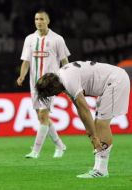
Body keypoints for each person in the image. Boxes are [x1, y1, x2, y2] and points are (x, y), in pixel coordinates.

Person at [36, 61, 130, 178]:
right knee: (98, 124)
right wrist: (91, 136)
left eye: (50, 93)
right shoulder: (61, 79)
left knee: (101, 124)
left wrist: (94, 137)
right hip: (112, 81)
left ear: (52, 88)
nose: (53, 96)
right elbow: (80, 109)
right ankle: (99, 169)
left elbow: (84, 108)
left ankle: (101, 171)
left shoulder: (68, 80)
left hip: (116, 81)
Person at [17, 10, 70, 158]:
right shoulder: (29, 39)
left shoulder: (57, 39)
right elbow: (26, 61)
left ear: (48, 21)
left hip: (50, 84)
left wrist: (67, 78)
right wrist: (22, 76)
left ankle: (35, 151)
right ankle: (60, 145)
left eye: (41, 19)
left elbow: (65, 61)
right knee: (42, 118)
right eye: (36, 19)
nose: (38, 21)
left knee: (42, 115)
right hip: (34, 84)